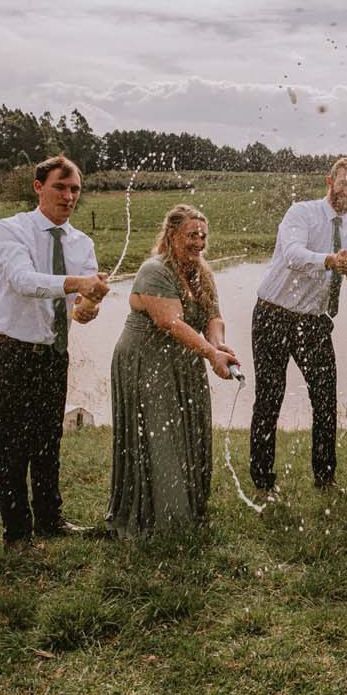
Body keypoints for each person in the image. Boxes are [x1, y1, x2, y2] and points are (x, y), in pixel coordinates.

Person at [0, 154, 109, 552]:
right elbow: (22, 281)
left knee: (49, 439)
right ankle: (17, 535)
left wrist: (89, 305)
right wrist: (77, 282)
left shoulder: (81, 243)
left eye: (75, 190)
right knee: (14, 444)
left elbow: (78, 309)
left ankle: (51, 519)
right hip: (7, 351)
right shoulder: (10, 229)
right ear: (38, 187)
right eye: (60, 187)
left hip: (52, 353)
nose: (68, 197)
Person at [106, 205, 239, 537]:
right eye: (191, 235)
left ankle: (186, 512)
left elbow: (214, 317)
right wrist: (210, 354)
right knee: (159, 436)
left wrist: (218, 344)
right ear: (171, 235)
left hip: (184, 362)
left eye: (203, 236)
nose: (198, 242)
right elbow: (170, 322)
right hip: (145, 361)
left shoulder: (201, 271)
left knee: (187, 431)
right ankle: (159, 521)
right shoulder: (154, 270)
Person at [249, 156, 347, 495]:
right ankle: (262, 480)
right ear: (328, 182)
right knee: (269, 396)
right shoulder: (301, 213)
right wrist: (330, 261)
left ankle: (325, 477)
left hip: (315, 323)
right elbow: (292, 254)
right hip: (273, 313)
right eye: (343, 183)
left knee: (325, 398)